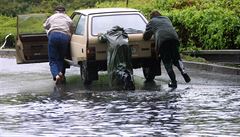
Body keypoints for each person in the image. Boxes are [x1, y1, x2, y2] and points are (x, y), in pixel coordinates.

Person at [143, 10, 191, 88]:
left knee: (167, 62)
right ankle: (184, 73)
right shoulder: (166, 18)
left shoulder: (151, 22)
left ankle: (174, 82)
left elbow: (146, 36)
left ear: (151, 17)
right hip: (174, 39)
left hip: (163, 42)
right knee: (177, 59)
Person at [43, 5, 73, 84]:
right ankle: (60, 73)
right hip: (65, 37)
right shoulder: (67, 18)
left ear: (55, 11)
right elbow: (71, 28)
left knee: (53, 60)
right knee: (60, 58)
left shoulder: (52, 17)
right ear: (64, 11)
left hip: (53, 35)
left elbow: (45, 26)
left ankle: (56, 75)